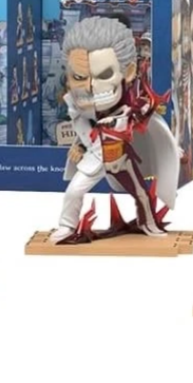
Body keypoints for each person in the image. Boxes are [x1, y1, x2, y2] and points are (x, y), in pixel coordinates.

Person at [50, 16, 179, 242]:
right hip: (95, 156)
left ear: (127, 72)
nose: (91, 86)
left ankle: (148, 223)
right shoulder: (79, 108)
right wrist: (80, 146)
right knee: (73, 191)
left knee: (141, 194)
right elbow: (86, 128)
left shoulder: (132, 104)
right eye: (79, 77)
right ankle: (67, 226)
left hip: (122, 157)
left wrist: (174, 148)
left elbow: (151, 125)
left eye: (103, 75)